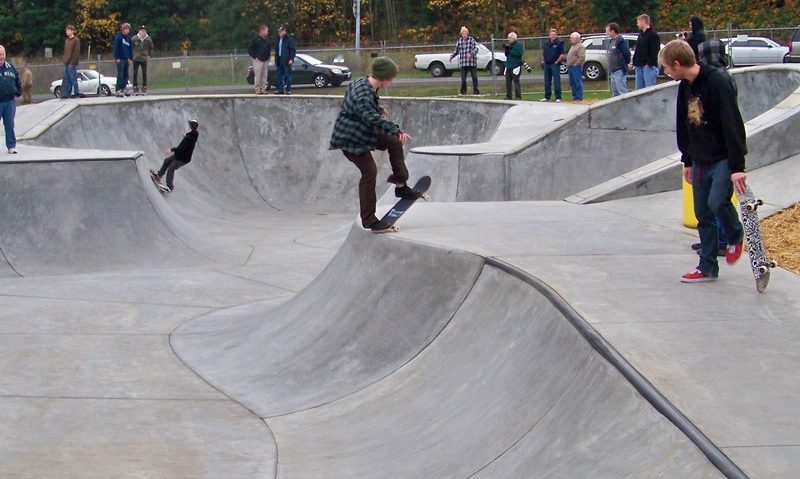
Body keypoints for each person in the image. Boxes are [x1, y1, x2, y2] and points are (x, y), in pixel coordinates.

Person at [659, 40, 745, 282]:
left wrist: (738, 166)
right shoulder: (684, 87)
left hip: (723, 157)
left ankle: (735, 235)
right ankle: (707, 266)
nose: (666, 72)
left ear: (677, 64)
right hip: (698, 159)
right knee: (702, 213)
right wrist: (686, 160)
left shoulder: (718, 82)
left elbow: (733, 123)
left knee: (717, 202)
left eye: (667, 68)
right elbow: (683, 124)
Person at [329, 57, 419, 232]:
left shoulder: (363, 83)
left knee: (394, 143)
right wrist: (397, 130)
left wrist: (377, 108)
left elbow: (359, 105)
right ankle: (369, 220)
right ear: (383, 77)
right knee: (369, 172)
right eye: (391, 78)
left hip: (363, 130)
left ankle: (401, 185)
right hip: (350, 139)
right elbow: (371, 117)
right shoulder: (363, 95)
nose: (392, 81)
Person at [151, 120, 200, 192]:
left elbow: (181, 148)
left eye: (189, 125)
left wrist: (171, 149)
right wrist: (186, 136)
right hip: (179, 155)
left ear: (191, 127)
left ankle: (170, 187)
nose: (188, 126)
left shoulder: (189, 138)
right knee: (166, 161)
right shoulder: (192, 135)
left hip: (183, 159)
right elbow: (191, 137)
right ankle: (159, 176)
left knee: (171, 169)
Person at [0, 45, 21, 154]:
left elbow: (17, 80)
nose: (1, 57)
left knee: (9, 124)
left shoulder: (11, 67)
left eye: (2, 54)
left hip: (9, 101)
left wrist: (18, 91)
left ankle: (11, 146)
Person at [631, 14, 660, 89]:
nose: (637, 24)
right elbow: (638, 49)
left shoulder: (653, 35)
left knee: (649, 89)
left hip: (648, 67)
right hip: (639, 65)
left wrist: (649, 63)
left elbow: (655, 50)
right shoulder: (640, 35)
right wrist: (633, 61)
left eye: (638, 22)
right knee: (639, 90)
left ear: (643, 22)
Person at [449, 26, 480, 96]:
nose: (464, 35)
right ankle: (463, 91)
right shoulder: (459, 41)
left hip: (472, 62)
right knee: (463, 78)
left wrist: (471, 53)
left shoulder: (471, 40)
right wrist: (451, 57)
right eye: (463, 33)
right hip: (463, 63)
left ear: (467, 33)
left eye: (465, 33)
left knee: (474, 77)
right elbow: (456, 51)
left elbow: (476, 49)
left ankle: (476, 90)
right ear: (461, 34)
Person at [606, 22, 631, 97]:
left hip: (619, 70)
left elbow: (626, 53)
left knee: (622, 91)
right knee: (615, 92)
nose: (607, 33)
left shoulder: (620, 41)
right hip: (613, 71)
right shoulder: (611, 41)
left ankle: (626, 106)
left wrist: (627, 62)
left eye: (608, 31)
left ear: (613, 31)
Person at [541, 28, 564, 102]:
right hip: (547, 64)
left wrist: (557, 62)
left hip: (555, 64)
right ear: (549, 35)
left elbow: (562, 54)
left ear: (556, 35)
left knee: (556, 81)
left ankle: (558, 97)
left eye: (554, 34)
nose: (552, 36)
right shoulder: (546, 44)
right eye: (551, 34)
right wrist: (543, 61)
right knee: (547, 81)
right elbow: (544, 53)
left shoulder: (559, 43)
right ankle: (547, 97)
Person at [248, 25, 272, 94]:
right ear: (262, 31)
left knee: (264, 75)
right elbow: (250, 49)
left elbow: (269, 49)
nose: (267, 32)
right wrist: (254, 57)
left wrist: (268, 57)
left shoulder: (267, 40)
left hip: (266, 60)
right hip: (258, 60)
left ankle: (263, 89)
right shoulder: (256, 39)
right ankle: (257, 89)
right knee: (258, 75)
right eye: (266, 31)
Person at [132, 25, 154, 96]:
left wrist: (149, 55)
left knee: (144, 73)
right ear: (139, 31)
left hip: (144, 58)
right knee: (135, 73)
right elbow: (131, 47)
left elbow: (151, 48)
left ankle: (144, 88)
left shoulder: (148, 39)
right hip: (136, 58)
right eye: (141, 31)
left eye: (144, 31)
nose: (143, 32)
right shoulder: (135, 38)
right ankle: (135, 87)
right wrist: (131, 55)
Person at [274, 26, 296, 95]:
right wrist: (276, 59)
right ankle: (280, 89)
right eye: (279, 32)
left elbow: (292, 50)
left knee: (287, 75)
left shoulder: (289, 40)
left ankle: (288, 89)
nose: (280, 33)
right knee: (279, 75)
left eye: (281, 31)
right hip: (279, 59)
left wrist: (291, 59)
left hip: (286, 60)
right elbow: (276, 50)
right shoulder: (278, 40)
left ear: (284, 31)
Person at [113, 23, 133, 97]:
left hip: (126, 59)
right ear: (123, 29)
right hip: (120, 58)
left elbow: (130, 49)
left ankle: (124, 88)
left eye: (128, 29)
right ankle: (118, 89)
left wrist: (130, 58)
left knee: (126, 74)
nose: (126, 31)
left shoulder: (129, 39)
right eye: (125, 29)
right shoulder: (119, 38)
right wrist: (117, 57)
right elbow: (116, 48)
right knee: (120, 74)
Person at [62, 25, 81, 99]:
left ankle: (77, 92)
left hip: (71, 62)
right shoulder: (67, 40)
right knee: (67, 78)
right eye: (66, 31)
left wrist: (72, 63)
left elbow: (76, 53)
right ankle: (67, 93)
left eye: (68, 31)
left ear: (72, 31)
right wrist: (64, 59)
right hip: (66, 61)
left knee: (73, 78)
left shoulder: (76, 40)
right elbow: (66, 51)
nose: (67, 32)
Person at [566, 32, 586, 101]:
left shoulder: (580, 46)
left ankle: (579, 97)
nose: (570, 39)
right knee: (572, 82)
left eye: (572, 38)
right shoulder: (573, 46)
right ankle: (574, 96)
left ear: (577, 38)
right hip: (571, 67)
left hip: (576, 67)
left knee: (577, 82)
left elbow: (582, 57)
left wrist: (576, 64)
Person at [503, 32, 524, 100]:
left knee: (516, 81)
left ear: (513, 38)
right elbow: (506, 54)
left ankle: (518, 96)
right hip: (509, 66)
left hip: (516, 66)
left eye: (509, 38)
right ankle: (508, 95)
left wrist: (510, 51)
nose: (508, 39)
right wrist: (506, 49)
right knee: (508, 82)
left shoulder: (518, 45)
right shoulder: (510, 45)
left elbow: (519, 53)